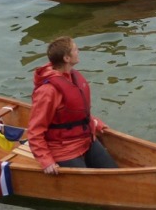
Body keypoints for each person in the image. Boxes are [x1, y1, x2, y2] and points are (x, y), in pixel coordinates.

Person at [27, 37, 117, 176]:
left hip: (86, 140)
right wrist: (46, 160)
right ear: (67, 58)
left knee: (114, 172)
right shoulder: (47, 91)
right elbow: (35, 131)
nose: (78, 51)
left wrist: (95, 122)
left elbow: (75, 112)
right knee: (90, 186)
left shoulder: (71, 77)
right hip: (64, 150)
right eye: (75, 49)